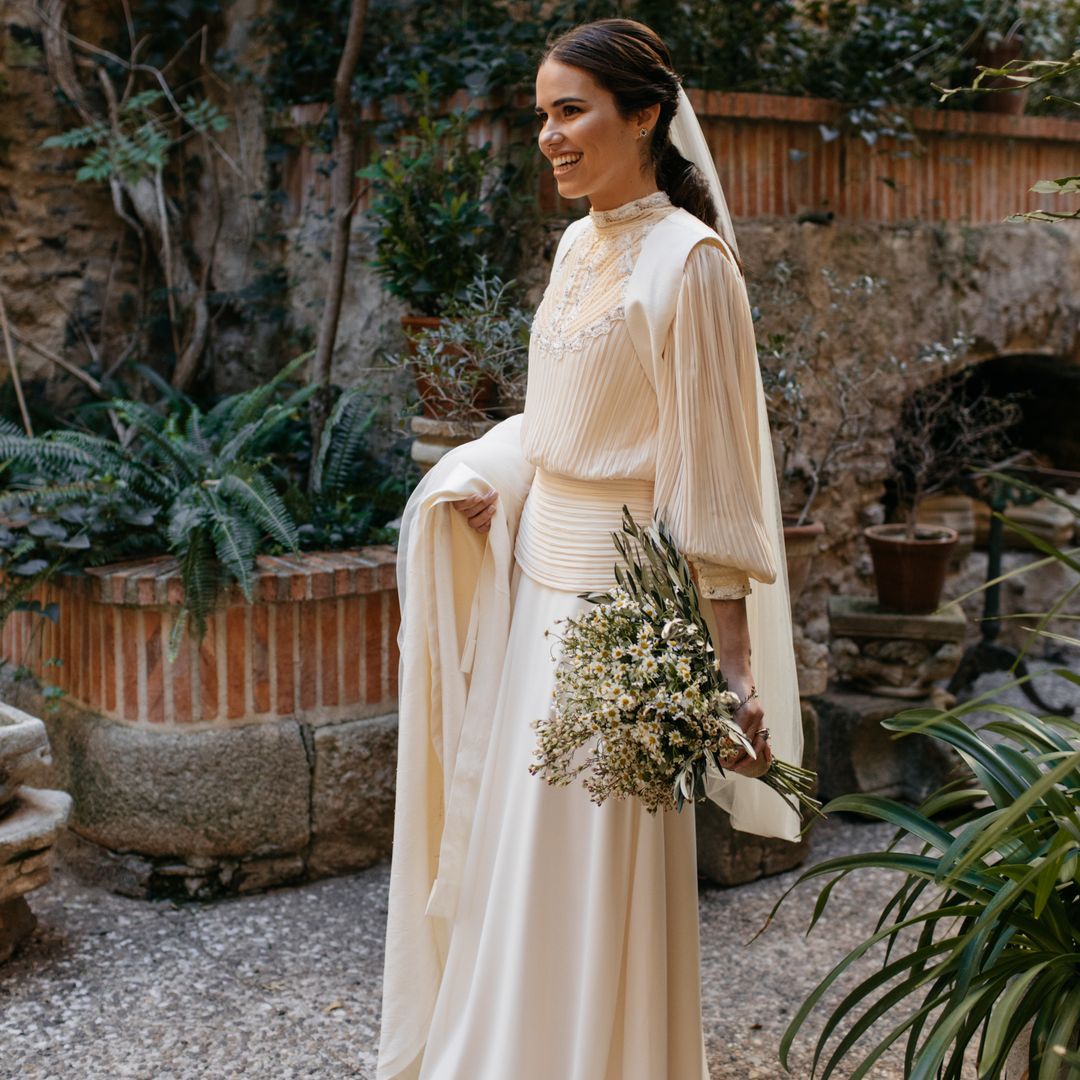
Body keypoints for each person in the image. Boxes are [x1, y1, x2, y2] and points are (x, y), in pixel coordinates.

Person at [376, 18, 802, 1080]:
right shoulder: (577, 245)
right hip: (537, 594)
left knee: (587, 870)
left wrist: (731, 668)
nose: (548, 137)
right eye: (542, 115)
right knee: (518, 856)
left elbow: (709, 478)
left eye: (571, 111)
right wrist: (493, 481)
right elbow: (566, 428)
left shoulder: (692, 266)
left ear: (646, 115)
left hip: (623, 619)